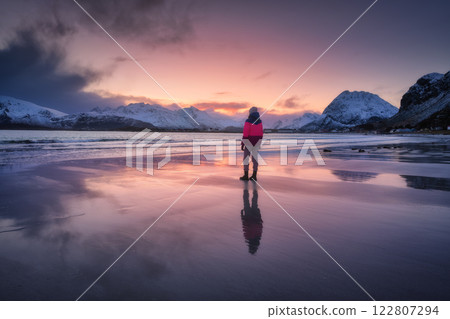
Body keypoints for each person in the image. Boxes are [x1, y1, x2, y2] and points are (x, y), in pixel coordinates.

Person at [240, 106, 263, 181]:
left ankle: (246, 175)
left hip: (248, 141)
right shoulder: (260, 122)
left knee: (246, 158)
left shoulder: (248, 121)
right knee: (255, 159)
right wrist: (259, 142)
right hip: (256, 141)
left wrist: (243, 143)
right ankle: (254, 175)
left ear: (250, 112)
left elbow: (245, 133)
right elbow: (261, 133)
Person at [240, 182, 263, 254]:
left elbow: (260, 225)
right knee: (246, 200)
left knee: (254, 201)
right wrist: (242, 216)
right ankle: (247, 189)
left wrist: (259, 214)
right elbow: (245, 227)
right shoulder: (248, 237)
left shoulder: (258, 236)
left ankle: (254, 189)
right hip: (249, 216)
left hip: (254, 216)